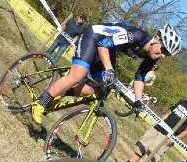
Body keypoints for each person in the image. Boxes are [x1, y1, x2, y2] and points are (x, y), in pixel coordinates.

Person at [31, 22, 182, 126]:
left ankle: (60, 93)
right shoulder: (136, 36)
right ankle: (40, 103)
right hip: (94, 37)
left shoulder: (150, 56)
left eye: (167, 54)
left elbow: (139, 77)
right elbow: (103, 45)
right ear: (156, 39)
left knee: (96, 89)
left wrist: (138, 100)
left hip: (108, 48)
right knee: (78, 75)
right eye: (163, 50)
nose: (163, 55)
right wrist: (109, 68)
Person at [122, 96, 187, 162]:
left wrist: (173, 140)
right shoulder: (182, 102)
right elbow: (168, 113)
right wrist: (156, 123)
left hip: (168, 136)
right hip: (159, 128)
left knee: (152, 158)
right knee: (141, 148)